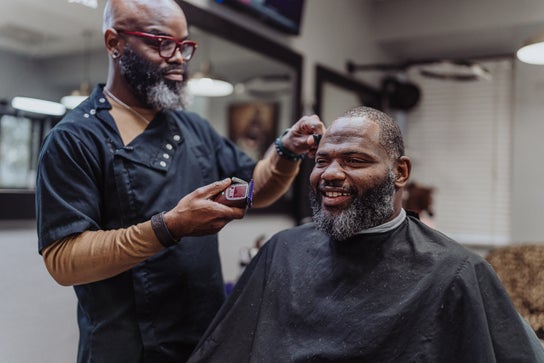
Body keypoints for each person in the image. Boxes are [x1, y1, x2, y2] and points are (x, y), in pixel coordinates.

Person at [35, 1, 324, 362]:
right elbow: (64, 259)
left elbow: (254, 190)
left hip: (203, 337)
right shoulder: (76, 138)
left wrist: (285, 151)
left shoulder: (192, 127)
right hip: (127, 348)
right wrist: (168, 227)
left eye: (185, 45)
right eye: (160, 43)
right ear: (114, 43)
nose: (178, 58)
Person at [188, 106, 544, 363]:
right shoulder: (282, 249)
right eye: (322, 161)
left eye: (354, 160)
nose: (329, 174)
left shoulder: (456, 270)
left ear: (400, 172)